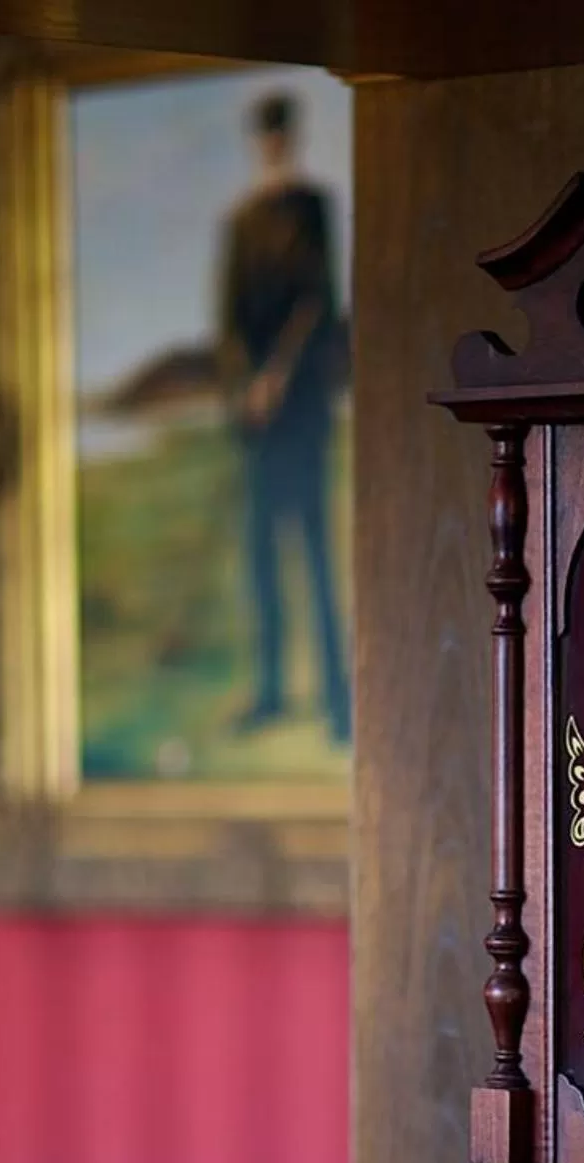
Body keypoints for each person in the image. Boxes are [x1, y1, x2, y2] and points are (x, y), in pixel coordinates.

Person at [216, 90, 348, 744]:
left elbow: (316, 302)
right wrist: (245, 385)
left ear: (289, 137)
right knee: (261, 556)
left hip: (301, 414)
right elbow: (231, 317)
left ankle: (337, 701)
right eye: (264, 134)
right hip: (257, 424)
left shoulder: (311, 211)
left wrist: (276, 380)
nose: (272, 144)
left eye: (278, 133)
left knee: (315, 552)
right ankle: (269, 693)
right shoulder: (240, 222)